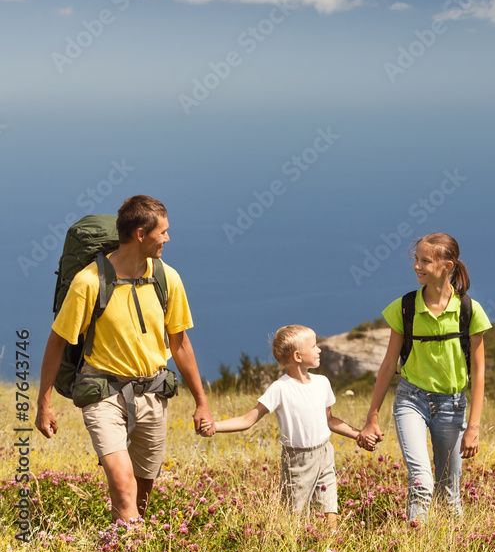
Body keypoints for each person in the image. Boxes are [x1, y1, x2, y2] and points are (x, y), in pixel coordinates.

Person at [34, 195, 215, 522]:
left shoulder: (166, 278)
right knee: (122, 483)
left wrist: (201, 401)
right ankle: (129, 545)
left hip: (152, 394)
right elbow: (57, 342)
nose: (168, 239)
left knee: (141, 494)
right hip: (103, 394)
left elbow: (181, 345)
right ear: (140, 234)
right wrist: (43, 403)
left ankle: (128, 541)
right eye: (163, 232)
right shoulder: (89, 281)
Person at [358, 232, 492, 521]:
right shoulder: (405, 307)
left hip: (453, 406)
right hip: (411, 400)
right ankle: (414, 544)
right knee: (421, 481)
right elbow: (387, 365)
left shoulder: (469, 310)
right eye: (416, 259)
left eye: (425, 261)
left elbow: (479, 371)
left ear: (448, 265)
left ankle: (452, 545)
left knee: (449, 491)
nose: (417, 266)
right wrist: (372, 415)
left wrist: (474, 427)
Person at [204, 324, 374, 529]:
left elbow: (330, 420)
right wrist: (215, 426)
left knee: (329, 506)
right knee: (295, 516)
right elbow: (247, 420)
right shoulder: (280, 389)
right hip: (297, 461)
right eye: (314, 346)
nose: (319, 349)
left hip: (325, 454)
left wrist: (359, 435)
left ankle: (332, 545)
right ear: (298, 356)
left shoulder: (322, 383)